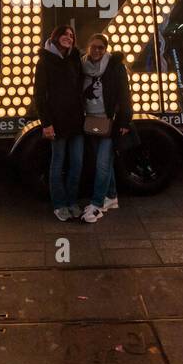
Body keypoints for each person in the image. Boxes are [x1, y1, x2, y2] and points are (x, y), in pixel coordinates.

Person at [78, 34, 132, 223]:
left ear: (106, 49)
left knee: (102, 163)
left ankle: (97, 204)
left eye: (101, 47)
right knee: (102, 163)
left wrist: (125, 121)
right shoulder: (81, 65)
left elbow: (125, 93)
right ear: (88, 47)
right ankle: (111, 196)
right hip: (89, 121)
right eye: (94, 47)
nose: (97, 51)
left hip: (109, 122)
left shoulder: (115, 66)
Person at [34, 24, 84, 221]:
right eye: (64, 34)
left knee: (77, 164)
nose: (68, 37)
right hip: (57, 121)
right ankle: (59, 204)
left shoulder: (75, 59)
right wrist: (46, 123)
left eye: (71, 35)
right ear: (55, 37)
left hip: (77, 121)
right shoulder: (45, 61)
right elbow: (39, 95)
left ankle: (72, 201)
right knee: (57, 164)